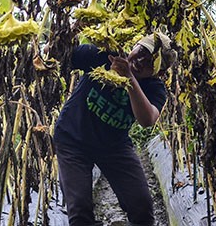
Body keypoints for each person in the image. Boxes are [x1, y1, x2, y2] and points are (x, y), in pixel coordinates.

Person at [53, 33, 177, 226]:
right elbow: (55, 54)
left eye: (151, 60)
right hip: (73, 138)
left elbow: (147, 119)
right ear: (134, 45)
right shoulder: (104, 56)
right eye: (142, 51)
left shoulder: (154, 87)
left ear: (159, 73)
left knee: (142, 206)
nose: (141, 60)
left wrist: (128, 78)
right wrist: (68, 31)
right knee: (79, 211)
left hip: (114, 146)